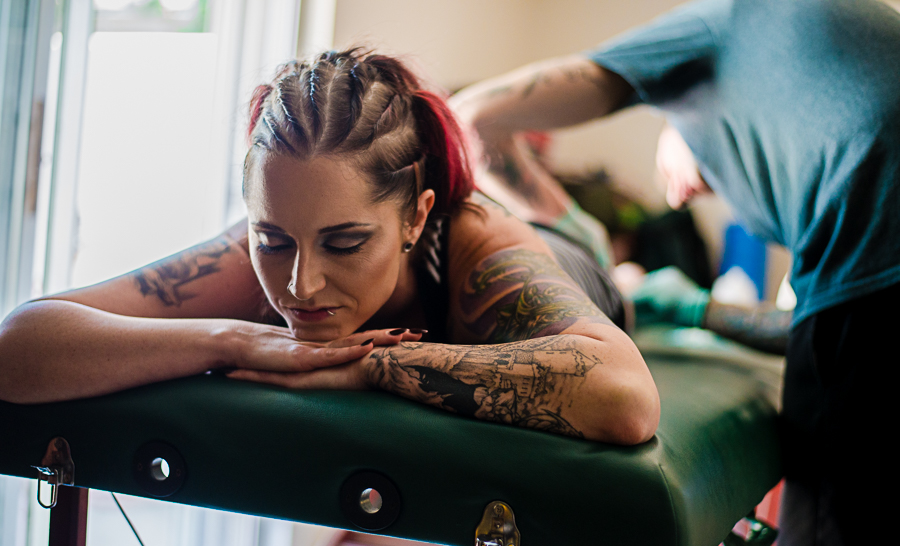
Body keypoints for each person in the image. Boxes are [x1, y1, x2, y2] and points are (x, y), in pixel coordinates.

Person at [451, 0, 899, 546]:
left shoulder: (729, 19)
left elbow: (474, 118)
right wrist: (696, 309)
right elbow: (815, 331)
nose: (678, 197)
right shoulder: (843, 67)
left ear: (679, 100)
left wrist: (586, 241)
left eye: (678, 181)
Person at [0, 48, 659, 446]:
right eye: (272, 240)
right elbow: (19, 345)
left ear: (415, 217)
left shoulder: (478, 246)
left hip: (574, 257)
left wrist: (371, 367)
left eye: (345, 243)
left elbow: (624, 396)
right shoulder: (248, 257)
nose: (300, 284)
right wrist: (232, 339)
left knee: (637, 287)